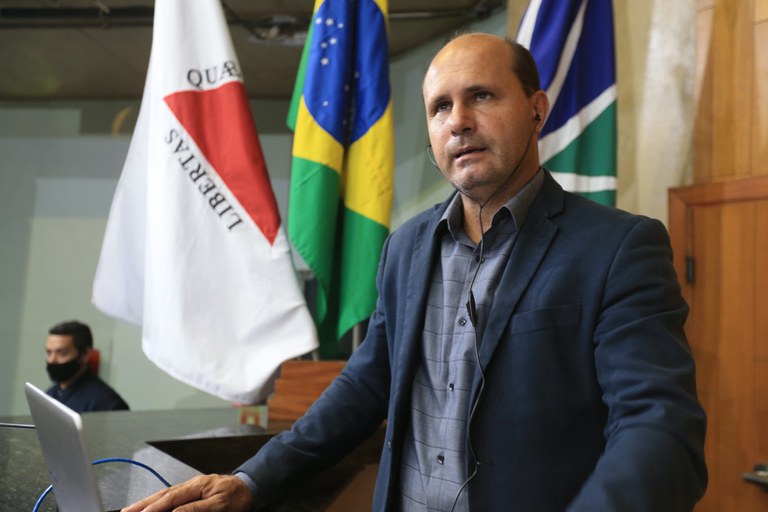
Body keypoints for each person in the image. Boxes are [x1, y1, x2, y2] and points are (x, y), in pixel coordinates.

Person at [123, 33, 706, 512]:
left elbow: (658, 427)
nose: (459, 122)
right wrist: (253, 479)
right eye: (440, 107)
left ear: (537, 109)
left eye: (481, 96)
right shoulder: (405, 247)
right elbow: (365, 385)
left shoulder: (617, 247)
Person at [45, 320, 129, 412]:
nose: (52, 360)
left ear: (85, 354)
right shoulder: (50, 394)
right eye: (49, 353)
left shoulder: (106, 403)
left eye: (62, 353)